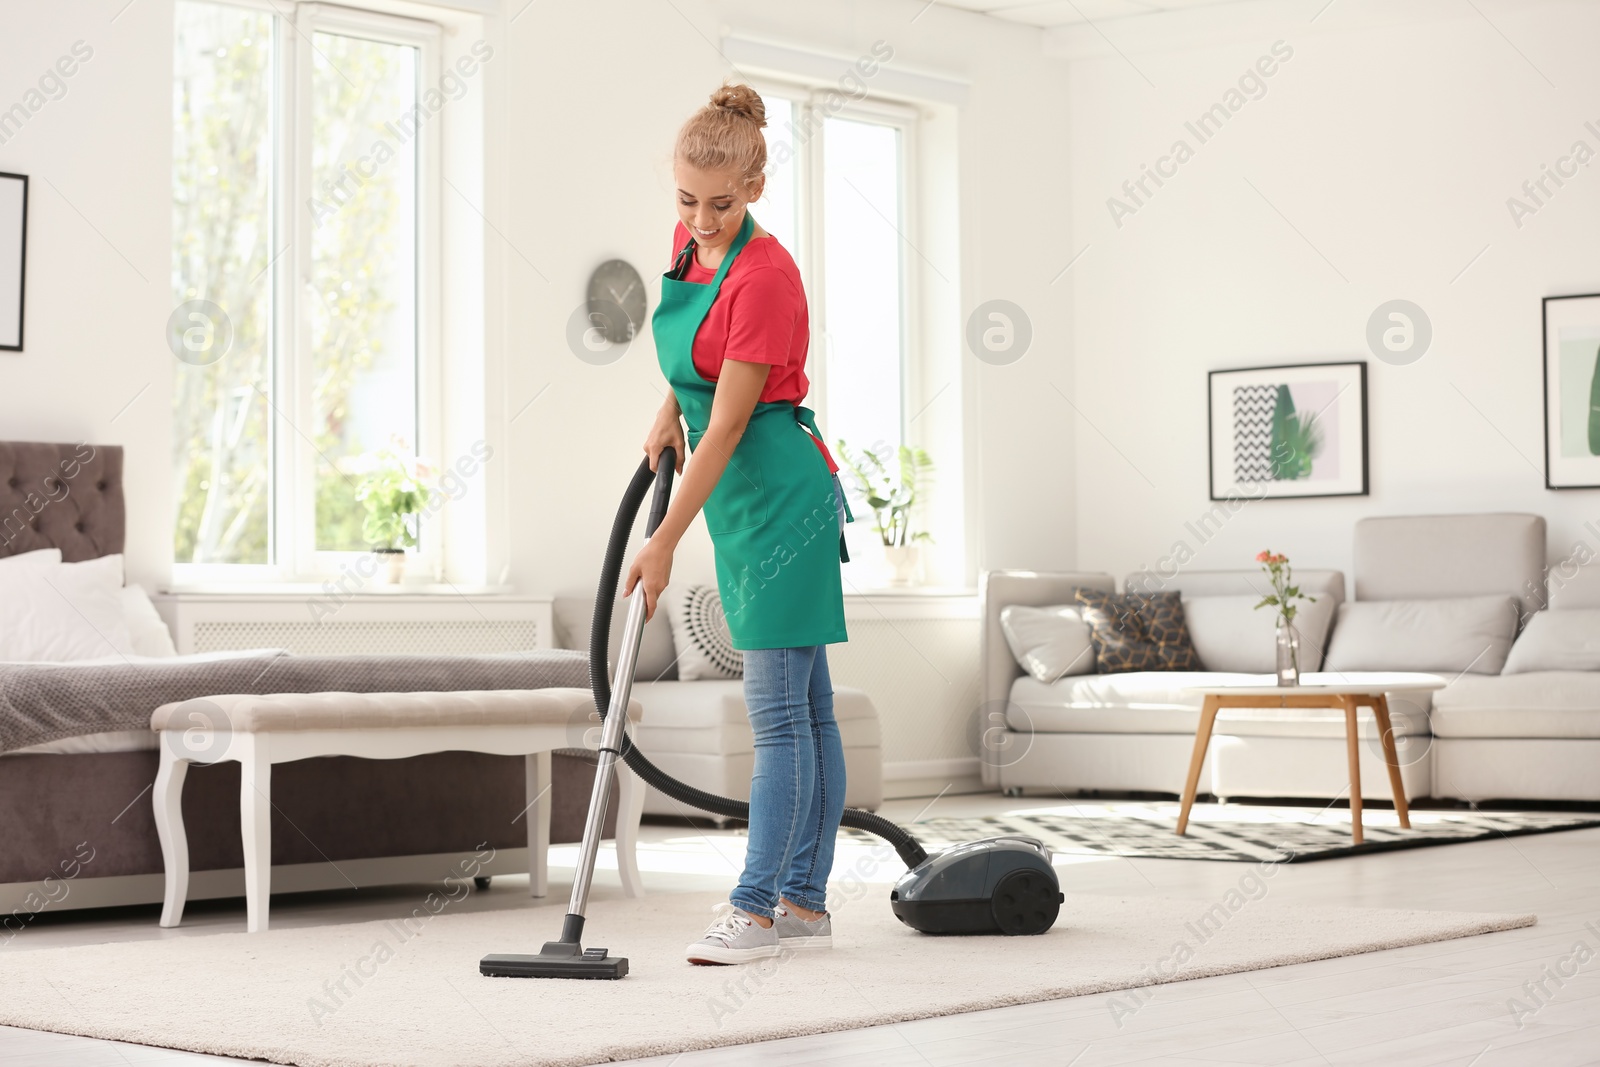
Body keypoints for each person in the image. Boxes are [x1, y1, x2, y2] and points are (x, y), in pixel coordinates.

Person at [624, 82, 854, 966]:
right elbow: (700, 371)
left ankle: (757, 909)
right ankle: (804, 902)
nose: (701, 218)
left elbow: (727, 423)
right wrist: (662, 407)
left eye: (721, 203)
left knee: (780, 716)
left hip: (778, 498)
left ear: (755, 187)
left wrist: (663, 539)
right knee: (810, 707)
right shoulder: (691, 247)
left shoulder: (766, 274)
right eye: (686, 200)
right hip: (739, 493)